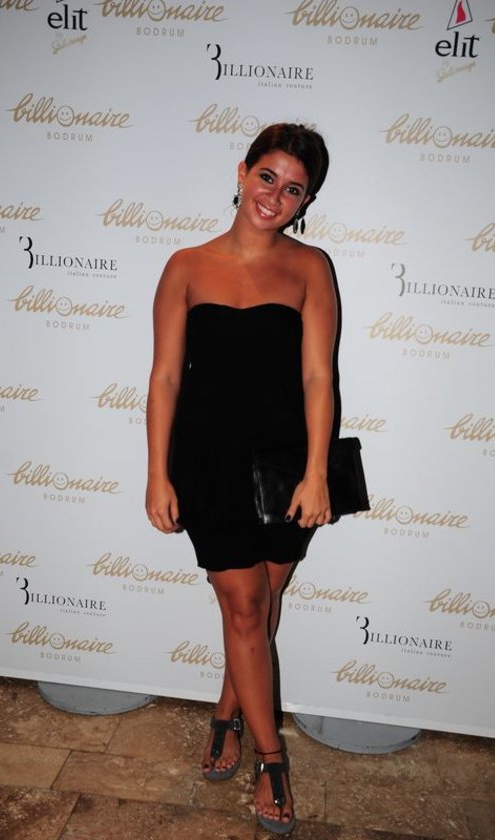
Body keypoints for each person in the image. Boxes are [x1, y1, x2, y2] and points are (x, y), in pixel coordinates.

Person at [146, 123, 337, 835]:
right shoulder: (185, 266)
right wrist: (156, 473)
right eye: (268, 177)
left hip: (286, 465)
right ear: (242, 171)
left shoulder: (311, 268)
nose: (275, 196)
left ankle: (226, 714)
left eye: (294, 189)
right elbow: (166, 379)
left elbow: (318, 378)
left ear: (305, 201)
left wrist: (316, 473)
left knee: (262, 601)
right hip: (208, 462)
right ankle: (271, 758)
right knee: (247, 610)